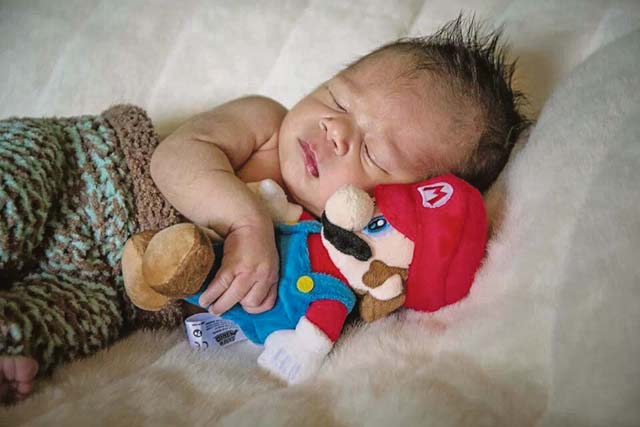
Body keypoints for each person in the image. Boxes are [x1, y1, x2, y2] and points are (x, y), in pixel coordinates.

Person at [0, 16, 528, 402]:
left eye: (372, 152)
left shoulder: (333, 257)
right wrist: (245, 221)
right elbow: (173, 158)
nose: (334, 129)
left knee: (63, 322)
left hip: (112, 286)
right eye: (338, 99)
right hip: (87, 173)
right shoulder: (266, 124)